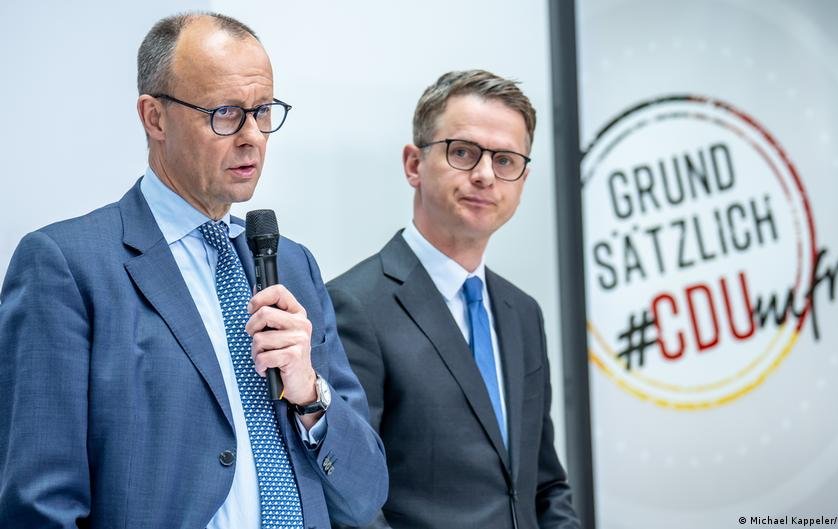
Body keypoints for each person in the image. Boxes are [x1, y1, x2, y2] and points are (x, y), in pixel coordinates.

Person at [0, 12, 386, 529]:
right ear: (154, 117)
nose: (252, 136)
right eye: (225, 113)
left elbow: (366, 494)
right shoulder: (67, 266)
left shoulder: (293, 265)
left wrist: (312, 394)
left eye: (263, 111)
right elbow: (40, 505)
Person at [327, 70, 581, 529]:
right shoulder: (352, 305)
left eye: (506, 160)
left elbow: (543, 484)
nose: (485, 175)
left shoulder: (522, 312)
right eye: (463, 152)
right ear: (413, 164)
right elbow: (351, 497)